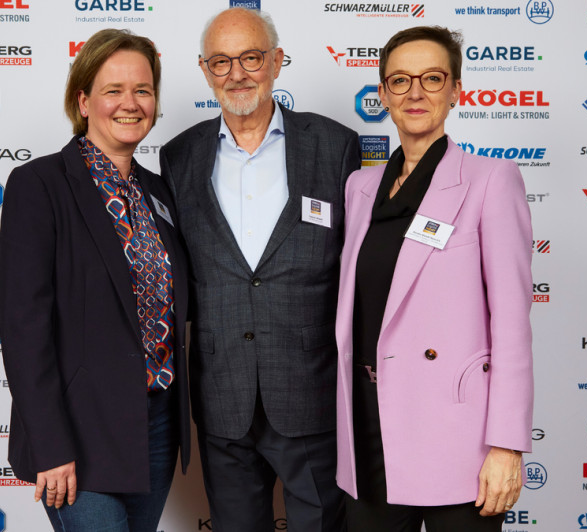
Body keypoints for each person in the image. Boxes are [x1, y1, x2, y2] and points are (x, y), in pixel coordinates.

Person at [159, 7, 360, 532]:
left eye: (250, 57)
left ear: (276, 61)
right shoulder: (179, 157)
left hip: (309, 390)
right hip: (221, 392)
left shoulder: (335, 146)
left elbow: (356, 263)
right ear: (204, 70)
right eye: (220, 62)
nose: (237, 74)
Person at [333, 26, 534, 531]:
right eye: (399, 80)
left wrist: (507, 446)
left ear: (456, 90)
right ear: (382, 94)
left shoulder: (491, 180)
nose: (415, 92)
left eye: (432, 78)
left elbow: (511, 324)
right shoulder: (359, 187)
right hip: (369, 431)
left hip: (458, 440)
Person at [0, 28, 189, 532]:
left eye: (143, 91)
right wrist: (50, 445)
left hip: (156, 425)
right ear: (83, 100)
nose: (131, 104)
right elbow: (24, 329)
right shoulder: (39, 185)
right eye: (113, 90)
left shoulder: (158, 193)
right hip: (78, 433)